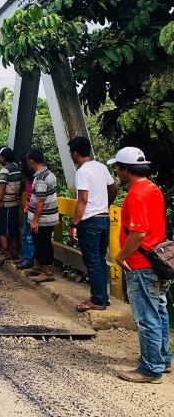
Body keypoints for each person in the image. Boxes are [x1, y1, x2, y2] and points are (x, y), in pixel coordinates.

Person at [109, 147, 171, 384]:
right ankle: (162, 359)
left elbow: (137, 233)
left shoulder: (136, 194)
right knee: (160, 311)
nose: (116, 171)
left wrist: (121, 256)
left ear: (126, 169)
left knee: (147, 317)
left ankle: (150, 369)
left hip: (141, 263)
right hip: (158, 260)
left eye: (117, 167)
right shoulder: (153, 188)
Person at [68, 137, 118, 312]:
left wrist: (74, 224)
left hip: (89, 221)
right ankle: (102, 297)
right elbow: (114, 188)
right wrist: (105, 204)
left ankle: (97, 300)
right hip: (104, 218)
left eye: (71, 153)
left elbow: (82, 200)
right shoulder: (101, 167)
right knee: (100, 259)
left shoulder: (82, 171)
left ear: (75, 153)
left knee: (93, 261)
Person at [24, 150, 59, 283]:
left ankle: (47, 272)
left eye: (28, 161)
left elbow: (40, 200)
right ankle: (38, 268)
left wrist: (35, 220)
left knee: (43, 243)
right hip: (47, 216)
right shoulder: (48, 173)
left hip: (43, 218)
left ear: (32, 161)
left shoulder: (40, 178)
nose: (27, 163)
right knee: (40, 242)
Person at [0, 147, 22, 264]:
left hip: (6, 203)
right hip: (15, 203)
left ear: (4, 157)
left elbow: (2, 187)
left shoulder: (5, 170)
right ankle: (14, 251)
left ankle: (6, 252)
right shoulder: (18, 168)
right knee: (13, 228)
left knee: (2, 229)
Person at [16, 157, 35, 270]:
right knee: (24, 234)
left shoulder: (35, 179)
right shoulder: (27, 179)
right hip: (28, 209)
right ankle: (25, 257)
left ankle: (28, 259)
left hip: (33, 211)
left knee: (28, 236)